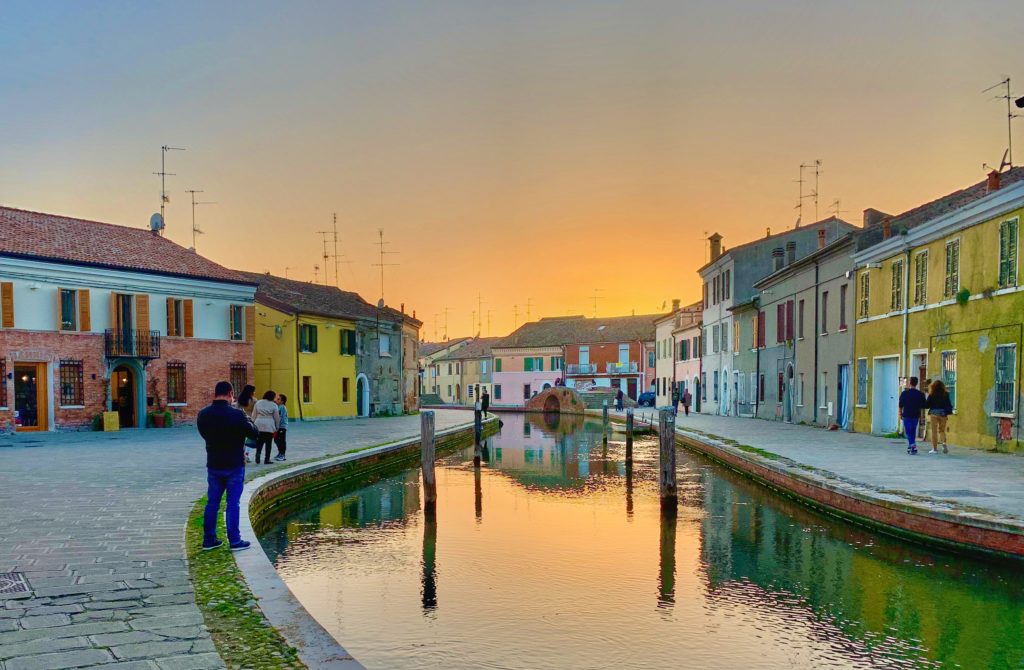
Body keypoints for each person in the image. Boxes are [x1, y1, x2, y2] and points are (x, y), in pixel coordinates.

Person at [197, 381, 258, 551]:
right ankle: (235, 540)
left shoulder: (203, 414)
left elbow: (204, 434)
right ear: (231, 394)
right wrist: (246, 419)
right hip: (234, 464)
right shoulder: (237, 415)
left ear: (215, 393)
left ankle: (209, 540)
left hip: (214, 463)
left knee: (212, 503)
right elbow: (254, 433)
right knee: (233, 503)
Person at [898, 377, 927, 455]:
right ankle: (911, 446)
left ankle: (912, 445)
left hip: (907, 415)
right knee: (913, 431)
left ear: (910, 383)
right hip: (916, 415)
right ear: (916, 383)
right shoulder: (920, 394)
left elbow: (900, 405)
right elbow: (924, 405)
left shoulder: (905, 393)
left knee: (908, 431)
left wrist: (900, 413)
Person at [251, 390, 281, 465]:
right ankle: (267, 459)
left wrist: (253, 423)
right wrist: (277, 427)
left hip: (258, 423)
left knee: (259, 442)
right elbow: (276, 417)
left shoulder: (258, 402)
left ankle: (258, 455)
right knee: (268, 443)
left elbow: (254, 414)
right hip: (269, 424)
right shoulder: (273, 405)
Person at [925, 379, 953, 454]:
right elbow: (948, 404)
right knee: (942, 430)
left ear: (933, 387)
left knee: (934, 432)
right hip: (943, 414)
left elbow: (927, 405)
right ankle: (943, 443)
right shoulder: (946, 394)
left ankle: (934, 449)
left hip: (934, 413)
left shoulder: (931, 394)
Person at [233, 384, 257, 463]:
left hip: (240, 419)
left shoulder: (240, 399)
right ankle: (246, 454)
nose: (255, 392)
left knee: (241, 438)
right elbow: (255, 411)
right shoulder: (254, 400)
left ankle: (241, 454)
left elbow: (236, 409)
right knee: (249, 439)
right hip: (250, 420)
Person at [273, 394, 289, 461]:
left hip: (282, 426)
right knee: (276, 439)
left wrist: (278, 426)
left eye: (278, 399)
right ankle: (280, 453)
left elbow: (281, 417)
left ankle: (282, 454)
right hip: (277, 427)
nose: (276, 400)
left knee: (281, 440)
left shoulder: (282, 407)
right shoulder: (277, 406)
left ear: (282, 401)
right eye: (276, 398)